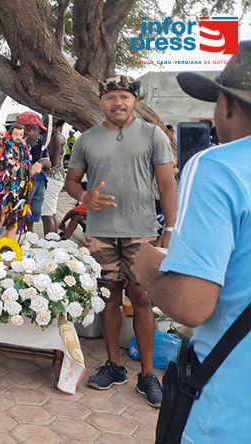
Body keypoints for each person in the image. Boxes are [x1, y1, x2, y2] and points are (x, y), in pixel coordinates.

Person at [132, 40, 251, 442]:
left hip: (228, 414)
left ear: (229, 106)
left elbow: (191, 304)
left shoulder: (216, 167)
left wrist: (149, 268)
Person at [64, 74, 178, 408]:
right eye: (112, 97)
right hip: (100, 233)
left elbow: (167, 185)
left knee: (142, 299)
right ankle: (114, 365)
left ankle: (147, 375)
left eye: (124, 97)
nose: (118, 103)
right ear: (101, 102)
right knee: (109, 297)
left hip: (141, 232)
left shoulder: (153, 135)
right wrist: (86, 196)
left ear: (134, 101)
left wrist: (169, 229)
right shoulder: (87, 140)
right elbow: (71, 181)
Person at [16, 112, 51, 233]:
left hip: (37, 182)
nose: (39, 135)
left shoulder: (39, 142)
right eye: (38, 131)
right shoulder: (13, 145)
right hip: (18, 186)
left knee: (31, 214)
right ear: (28, 130)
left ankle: (28, 237)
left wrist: (39, 164)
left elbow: (48, 163)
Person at [41, 118, 67, 235]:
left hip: (52, 178)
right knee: (51, 212)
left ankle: (49, 242)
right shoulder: (59, 136)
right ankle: (54, 240)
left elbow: (53, 162)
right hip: (57, 178)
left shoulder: (56, 137)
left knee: (46, 215)